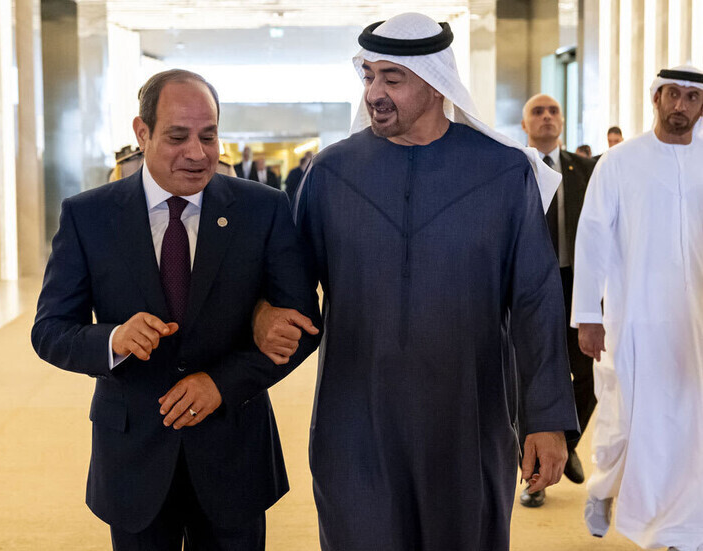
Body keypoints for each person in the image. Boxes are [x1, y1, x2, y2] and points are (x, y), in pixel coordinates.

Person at [253, 13, 578, 550]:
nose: (374, 93)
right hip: (355, 421)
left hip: (468, 420)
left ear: (435, 82)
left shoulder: (504, 173)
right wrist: (263, 311)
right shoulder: (331, 173)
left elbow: (535, 302)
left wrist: (545, 418)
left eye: (392, 78)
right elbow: (290, 288)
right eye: (368, 77)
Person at [31, 69, 320, 551]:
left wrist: (221, 384)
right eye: (177, 136)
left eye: (208, 136)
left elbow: (303, 325)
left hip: (233, 454)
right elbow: (50, 330)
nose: (197, 153)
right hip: (133, 460)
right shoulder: (88, 216)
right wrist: (112, 339)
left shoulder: (263, 209)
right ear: (141, 132)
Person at [572, 64, 703, 551]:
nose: (680, 106)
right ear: (656, 99)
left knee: (689, 425)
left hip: (695, 321)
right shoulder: (619, 162)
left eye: (692, 97)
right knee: (625, 420)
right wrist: (588, 315)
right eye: (673, 95)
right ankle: (604, 488)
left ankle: (681, 528)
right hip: (634, 317)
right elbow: (591, 239)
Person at [518, 94, 597, 507]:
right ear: (524, 124)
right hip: (527, 289)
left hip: (576, 286)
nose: (546, 117)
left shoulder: (586, 170)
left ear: (562, 121)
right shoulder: (513, 167)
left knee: (589, 374)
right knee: (531, 377)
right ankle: (535, 479)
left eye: (553, 111)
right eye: (538, 111)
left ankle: (568, 441)